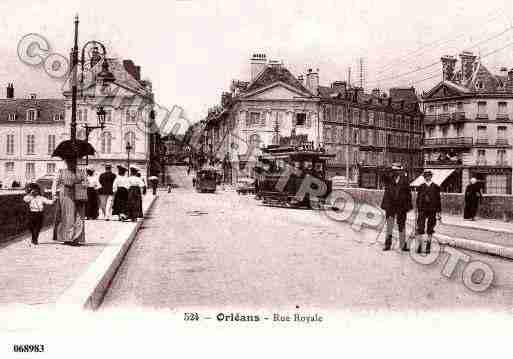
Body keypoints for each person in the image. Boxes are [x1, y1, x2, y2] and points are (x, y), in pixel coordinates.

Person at [51, 158, 87, 245]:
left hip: (78, 195)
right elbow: (55, 183)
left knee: (78, 217)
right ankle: (68, 238)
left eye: (74, 161)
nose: (72, 163)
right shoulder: (61, 171)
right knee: (67, 216)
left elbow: (86, 183)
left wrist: (82, 184)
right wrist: (54, 194)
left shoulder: (80, 172)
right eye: (70, 161)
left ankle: (75, 238)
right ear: (66, 162)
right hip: (65, 194)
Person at [380, 164, 413, 251]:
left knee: (402, 225)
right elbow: (382, 174)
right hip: (390, 206)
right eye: (394, 170)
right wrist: (389, 169)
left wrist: (409, 206)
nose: (396, 172)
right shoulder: (388, 178)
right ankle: (387, 245)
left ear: (401, 171)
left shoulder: (405, 180)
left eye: (397, 170)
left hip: (401, 206)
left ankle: (403, 245)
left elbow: (408, 193)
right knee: (389, 225)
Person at [415, 170, 442, 254]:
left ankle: (428, 247)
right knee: (420, 228)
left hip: (432, 210)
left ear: (431, 177)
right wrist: (417, 209)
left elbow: (438, 200)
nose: (427, 178)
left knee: (430, 229)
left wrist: (439, 212)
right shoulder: (421, 187)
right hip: (422, 210)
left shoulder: (436, 187)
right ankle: (420, 246)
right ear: (424, 177)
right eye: (425, 176)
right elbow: (418, 199)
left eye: (429, 176)